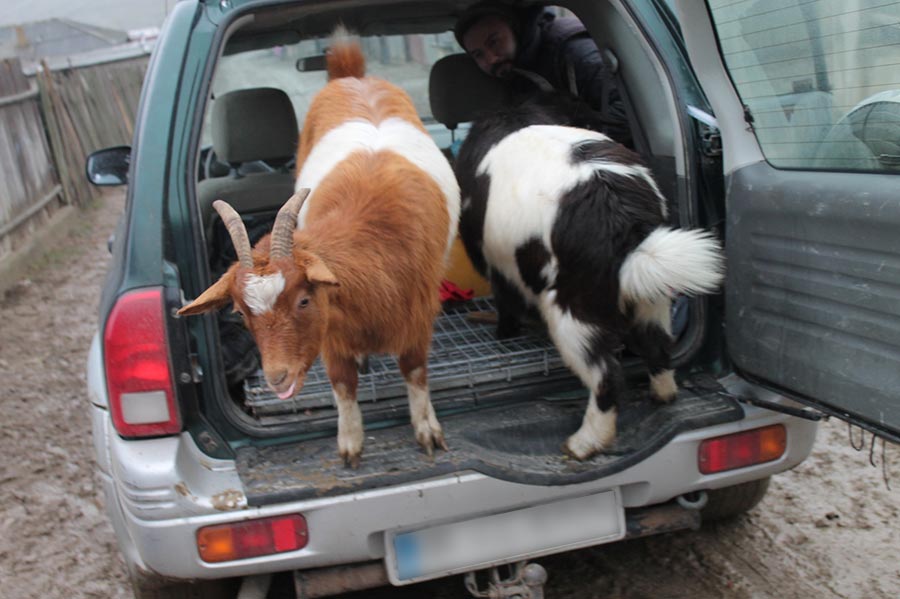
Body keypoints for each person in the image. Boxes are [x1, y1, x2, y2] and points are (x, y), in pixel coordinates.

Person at [454, 1, 634, 147]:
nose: (491, 58)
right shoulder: (512, 75)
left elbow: (627, 113)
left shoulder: (575, 52)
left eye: (494, 42)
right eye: (478, 54)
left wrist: (575, 152)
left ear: (515, 29)